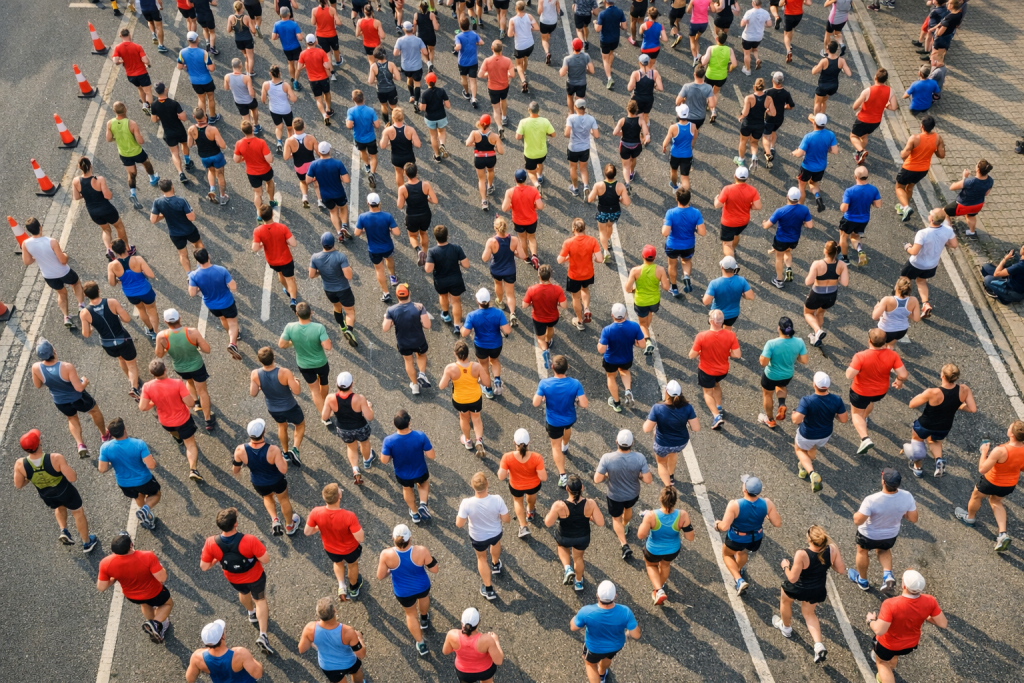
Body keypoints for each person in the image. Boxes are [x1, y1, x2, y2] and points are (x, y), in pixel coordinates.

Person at [200, 508, 276, 655]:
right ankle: (263, 635)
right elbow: (265, 559)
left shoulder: (211, 542)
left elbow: (204, 566)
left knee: (243, 592)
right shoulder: (249, 540)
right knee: (260, 600)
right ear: (236, 524)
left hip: (234, 578)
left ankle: (251, 613)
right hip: (255, 576)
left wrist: (216, 559)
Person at [772, 526, 846, 663]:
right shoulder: (833, 549)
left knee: (785, 601)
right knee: (809, 614)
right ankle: (818, 645)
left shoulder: (802, 554)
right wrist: (829, 563)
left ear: (809, 539)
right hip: (816, 589)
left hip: (799, 587)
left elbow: (792, 578)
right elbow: (841, 569)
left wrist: (785, 566)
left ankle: (786, 628)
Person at [14, 429, 97, 552]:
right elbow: (72, 478)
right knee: (77, 512)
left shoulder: (20, 464)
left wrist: (31, 477)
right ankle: (87, 543)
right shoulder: (55, 458)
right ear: (39, 443)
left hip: (46, 495)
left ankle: (64, 530)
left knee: (59, 507)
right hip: (65, 491)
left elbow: (19, 484)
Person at [866, 569, 947, 683]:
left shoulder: (891, 604)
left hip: (888, 644)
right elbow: (943, 623)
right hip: (909, 644)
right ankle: (889, 671)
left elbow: (879, 630)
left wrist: (870, 620)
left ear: (904, 585)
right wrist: (925, 616)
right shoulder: (930, 600)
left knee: (882, 663)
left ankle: (885, 676)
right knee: (895, 655)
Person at [955, 421, 1024, 552]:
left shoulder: (1000, 450)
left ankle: (970, 518)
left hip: (990, 481)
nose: (1008, 428)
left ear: (1012, 434)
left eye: (1010, 427)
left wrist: (984, 452)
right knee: (996, 501)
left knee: (976, 496)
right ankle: (1002, 534)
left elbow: (982, 469)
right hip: (1008, 485)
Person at [32, 340, 107, 457]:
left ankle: (80, 444)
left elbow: (38, 385)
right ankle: (104, 435)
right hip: (78, 398)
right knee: (94, 411)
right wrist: (85, 382)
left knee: (72, 418)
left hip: (60, 402)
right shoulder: (66, 367)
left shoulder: (36, 367)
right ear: (53, 351)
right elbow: (79, 388)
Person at [849, 468, 918, 593]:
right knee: (883, 550)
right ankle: (887, 575)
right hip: (890, 534)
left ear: (883, 482)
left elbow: (858, 521)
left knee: (862, 552)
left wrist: (856, 515)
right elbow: (913, 518)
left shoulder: (872, 500)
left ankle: (862, 580)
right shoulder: (907, 496)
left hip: (868, 534)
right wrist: (901, 513)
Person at [98, 532, 173, 643]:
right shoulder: (147, 556)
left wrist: (114, 577)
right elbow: (162, 578)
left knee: (145, 603)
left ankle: (152, 624)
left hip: (133, 596)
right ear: (131, 545)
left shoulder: (105, 563)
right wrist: (163, 569)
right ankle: (156, 624)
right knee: (168, 604)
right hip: (155, 592)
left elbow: (101, 587)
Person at [376, 524, 439, 657]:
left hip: (403, 592)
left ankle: (421, 644)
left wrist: (391, 570)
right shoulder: (421, 551)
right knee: (424, 598)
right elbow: (434, 569)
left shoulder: (386, 554)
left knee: (410, 615)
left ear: (393, 538)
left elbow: (380, 576)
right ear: (410, 538)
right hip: (422, 586)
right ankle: (424, 619)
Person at [905, 364, 975, 478]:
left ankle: (918, 468)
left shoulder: (933, 392)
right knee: (934, 441)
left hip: (925, 424)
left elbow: (912, 404)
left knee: (917, 442)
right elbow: (972, 409)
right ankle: (939, 460)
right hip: (944, 426)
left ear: (942, 375)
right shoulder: (964, 389)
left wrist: (922, 395)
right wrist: (957, 405)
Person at [233, 418, 300, 537]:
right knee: (283, 500)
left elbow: (236, 469)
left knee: (267, 497)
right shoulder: (273, 450)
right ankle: (290, 526)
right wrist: (284, 459)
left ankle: (275, 519)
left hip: (258, 482)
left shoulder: (240, 450)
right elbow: (283, 469)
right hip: (277, 480)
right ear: (263, 432)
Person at [846, 329, 910, 454]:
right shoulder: (893, 355)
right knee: (869, 401)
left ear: (869, 340)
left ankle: (864, 438)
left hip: (860, 391)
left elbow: (849, 375)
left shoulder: (861, 356)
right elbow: (903, 374)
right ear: (885, 341)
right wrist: (899, 381)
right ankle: (864, 420)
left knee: (855, 414)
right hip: (880, 391)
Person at [715, 476, 781, 594]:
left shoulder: (735, 504)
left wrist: (717, 524)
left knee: (727, 555)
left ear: (745, 489)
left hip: (736, 538)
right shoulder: (767, 503)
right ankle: (739, 569)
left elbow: (724, 527)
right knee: (742, 551)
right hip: (755, 538)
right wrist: (767, 514)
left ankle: (739, 580)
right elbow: (777, 523)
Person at [140, 358, 203, 480]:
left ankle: (178, 438)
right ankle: (193, 469)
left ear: (152, 373)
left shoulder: (147, 387)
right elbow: (190, 403)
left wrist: (153, 402)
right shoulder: (177, 383)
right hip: (183, 420)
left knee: (176, 434)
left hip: (166, 421)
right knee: (190, 444)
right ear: (165, 369)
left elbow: (143, 407)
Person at [595, 429, 652, 561]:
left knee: (616, 518)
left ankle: (624, 544)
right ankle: (625, 525)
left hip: (615, 495)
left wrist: (608, 474)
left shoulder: (607, 458)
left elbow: (597, 479)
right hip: (632, 494)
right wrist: (639, 475)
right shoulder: (639, 458)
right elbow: (648, 479)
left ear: (616, 442)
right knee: (628, 508)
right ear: (633, 443)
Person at [79, 281, 141, 399]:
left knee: (121, 358)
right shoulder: (111, 302)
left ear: (86, 296)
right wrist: (118, 316)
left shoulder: (84, 313)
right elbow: (127, 319)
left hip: (107, 344)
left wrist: (92, 327)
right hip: (123, 339)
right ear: (99, 290)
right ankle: (135, 387)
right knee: (132, 364)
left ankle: (131, 379)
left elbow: (86, 334)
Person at [155, 308, 215, 429]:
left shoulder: (162, 336)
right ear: (180, 318)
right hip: (197, 366)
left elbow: (159, 354)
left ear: (166, 322)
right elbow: (207, 350)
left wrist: (168, 347)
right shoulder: (192, 332)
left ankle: (196, 403)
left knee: (189, 381)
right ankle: (208, 420)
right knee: (202, 391)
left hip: (180, 368)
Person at [570, 581, 640, 683]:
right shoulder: (625, 611)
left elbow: (573, 627)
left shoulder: (586, 611)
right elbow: (636, 635)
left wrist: (575, 618)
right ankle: (602, 675)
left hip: (594, 648)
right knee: (607, 657)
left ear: (597, 595)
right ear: (615, 596)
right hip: (616, 646)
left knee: (590, 664)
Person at [306, 482, 366, 600]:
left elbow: (307, 531)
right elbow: (360, 538)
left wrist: (319, 527)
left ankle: (342, 586)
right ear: (339, 497)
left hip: (331, 549)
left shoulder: (316, 512)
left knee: (338, 563)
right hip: (350, 549)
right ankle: (353, 589)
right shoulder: (349, 516)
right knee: (352, 565)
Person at [98, 417, 160, 530]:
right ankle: (145, 510)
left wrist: (113, 461)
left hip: (124, 483)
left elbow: (102, 469)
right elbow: (151, 465)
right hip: (144, 480)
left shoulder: (105, 448)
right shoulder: (139, 444)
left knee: (137, 495)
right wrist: (154, 462)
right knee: (156, 494)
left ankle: (148, 518)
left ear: (111, 434)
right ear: (125, 429)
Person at [543, 475, 603, 591]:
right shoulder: (590, 503)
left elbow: (548, 523)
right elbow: (600, 522)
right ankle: (579, 582)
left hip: (565, 537)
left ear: (567, 489)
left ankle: (567, 568)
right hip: (582, 537)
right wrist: (590, 517)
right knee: (578, 558)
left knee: (561, 547)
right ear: (582, 488)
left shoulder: (559, 505)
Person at [457, 472, 510, 601]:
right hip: (495, 532)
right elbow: (506, 519)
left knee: (481, 559)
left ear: (472, 486)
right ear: (488, 484)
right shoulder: (497, 499)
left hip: (478, 537)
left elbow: (459, 524)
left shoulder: (466, 503)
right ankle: (496, 564)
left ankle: (489, 589)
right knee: (496, 544)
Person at [637, 486, 695, 604]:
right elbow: (690, 537)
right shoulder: (683, 515)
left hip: (653, 550)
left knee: (651, 566)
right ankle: (659, 588)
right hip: (672, 550)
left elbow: (641, 535)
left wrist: (645, 522)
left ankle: (659, 590)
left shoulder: (651, 515)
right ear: (675, 500)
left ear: (661, 499)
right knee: (665, 565)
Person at [792, 372, 847, 492]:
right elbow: (844, 419)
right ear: (828, 386)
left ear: (814, 384)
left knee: (799, 450)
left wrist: (794, 413)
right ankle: (804, 467)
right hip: (825, 435)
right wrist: (834, 415)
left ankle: (811, 473)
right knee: (812, 448)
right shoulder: (837, 400)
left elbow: (796, 420)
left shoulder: (807, 400)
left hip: (807, 434)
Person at [380, 409, 436, 523]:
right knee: (423, 484)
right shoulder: (420, 435)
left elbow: (384, 460)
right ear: (409, 422)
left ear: (393, 424)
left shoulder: (389, 441)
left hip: (402, 474)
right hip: (420, 470)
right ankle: (423, 504)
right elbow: (431, 455)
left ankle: (414, 514)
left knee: (407, 489)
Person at [249, 348, 305, 461]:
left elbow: (253, 393)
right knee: (300, 425)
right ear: (274, 357)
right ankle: (295, 449)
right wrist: (297, 382)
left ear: (260, 360)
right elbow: (297, 391)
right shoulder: (284, 372)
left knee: (282, 426)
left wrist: (261, 386)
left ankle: (285, 453)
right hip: (290, 406)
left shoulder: (255, 374)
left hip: (274, 409)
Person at [689, 309, 741, 430]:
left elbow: (691, 355)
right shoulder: (731, 335)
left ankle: (716, 416)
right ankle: (718, 406)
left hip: (706, 370)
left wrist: (701, 351)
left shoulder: (702, 336)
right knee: (716, 385)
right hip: (722, 371)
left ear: (710, 321)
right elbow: (737, 354)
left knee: (707, 392)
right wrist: (727, 353)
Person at [901, 207, 957, 317]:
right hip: (931, 265)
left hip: (916, 264)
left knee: (905, 280)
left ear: (931, 218)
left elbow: (914, 252)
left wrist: (907, 247)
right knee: (921, 282)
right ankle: (925, 304)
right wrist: (943, 242)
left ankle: (903, 302)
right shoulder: (948, 230)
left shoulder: (923, 233)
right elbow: (954, 245)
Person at [642, 380, 700, 488]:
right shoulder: (688, 407)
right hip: (680, 442)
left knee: (661, 463)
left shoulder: (658, 408)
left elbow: (646, 429)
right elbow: (696, 428)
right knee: (673, 453)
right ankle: (671, 476)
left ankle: (668, 487)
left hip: (662, 444)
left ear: (666, 392)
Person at [440, 340, 492, 453]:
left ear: (455, 354)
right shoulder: (476, 366)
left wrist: (449, 379)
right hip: (475, 398)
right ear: (468, 353)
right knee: (476, 419)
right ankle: (479, 440)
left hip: (459, 399)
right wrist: (479, 381)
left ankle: (468, 441)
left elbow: (441, 386)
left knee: (464, 418)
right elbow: (487, 383)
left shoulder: (450, 368)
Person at [188, 249, 242, 359]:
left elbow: (192, 293)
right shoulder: (221, 270)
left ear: (198, 261)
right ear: (209, 256)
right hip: (227, 302)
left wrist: (199, 288)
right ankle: (233, 343)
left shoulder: (194, 275)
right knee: (232, 322)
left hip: (211, 304)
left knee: (223, 319)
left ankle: (232, 334)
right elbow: (234, 287)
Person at [106, 102, 159, 209]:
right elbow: (140, 141)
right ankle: (153, 179)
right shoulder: (132, 124)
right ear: (126, 109)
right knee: (146, 163)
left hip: (124, 153)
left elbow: (108, 139)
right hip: (136, 151)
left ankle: (133, 193)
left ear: (114, 111)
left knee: (131, 174)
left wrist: (117, 139)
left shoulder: (110, 123)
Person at [298, 598, 366, 682]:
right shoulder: (348, 632)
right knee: (356, 672)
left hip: (328, 667)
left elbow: (301, 649)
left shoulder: (310, 629)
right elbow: (361, 654)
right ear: (335, 610)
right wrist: (360, 638)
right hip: (349, 663)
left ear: (317, 614)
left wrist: (317, 643)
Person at [757, 317, 808, 429]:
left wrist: (762, 357)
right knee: (781, 386)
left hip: (771, 375)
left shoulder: (771, 344)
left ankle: (770, 420)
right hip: (787, 374)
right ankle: (782, 404)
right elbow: (804, 360)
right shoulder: (799, 342)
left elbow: (763, 363)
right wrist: (795, 356)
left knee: (767, 395)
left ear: (779, 328)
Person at [384, 283, 434, 394]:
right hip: (419, 340)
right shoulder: (419, 307)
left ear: (397, 296)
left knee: (408, 361)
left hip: (403, 342)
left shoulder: (391, 310)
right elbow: (427, 325)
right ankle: (422, 374)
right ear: (409, 293)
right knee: (421, 355)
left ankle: (415, 386)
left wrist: (389, 320)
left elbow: (385, 328)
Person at [497, 429, 547, 539]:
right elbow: (543, 477)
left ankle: (523, 526)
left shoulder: (507, 457)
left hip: (516, 486)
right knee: (531, 496)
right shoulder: (537, 457)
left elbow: (501, 476)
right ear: (529, 442)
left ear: (514, 442)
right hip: (533, 485)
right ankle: (530, 511)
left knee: (518, 501)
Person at [151, 177, 205, 278]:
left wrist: (164, 215)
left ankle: (189, 275)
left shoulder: (157, 202)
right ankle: (201, 266)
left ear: (161, 190)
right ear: (172, 186)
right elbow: (192, 217)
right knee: (199, 245)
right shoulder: (181, 200)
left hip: (175, 233)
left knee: (182, 254)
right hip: (189, 229)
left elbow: (153, 220)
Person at [895, 116, 944, 223]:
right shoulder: (938, 138)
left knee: (899, 187)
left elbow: (904, 155)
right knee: (910, 187)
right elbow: (941, 155)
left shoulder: (914, 138)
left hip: (909, 168)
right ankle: (904, 208)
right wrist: (934, 148)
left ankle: (906, 207)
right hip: (923, 170)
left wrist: (901, 153)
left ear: (922, 126)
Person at [763, 187, 813, 289]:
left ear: (787, 197)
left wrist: (764, 223)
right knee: (787, 252)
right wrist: (802, 222)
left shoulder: (780, 211)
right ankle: (789, 268)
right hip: (794, 239)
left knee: (778, 258)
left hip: (781, 239)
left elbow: (767, 225)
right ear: (799, 198)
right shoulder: (804, 209)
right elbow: (810, 225)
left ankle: (779, 280)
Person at [355, 192, 402, 302]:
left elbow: (356, 233)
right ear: (379, 203)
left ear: (368, 203)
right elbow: (397, 233)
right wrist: (389, 228)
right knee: (389, 259)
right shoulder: (387, 216)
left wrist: (364, 229)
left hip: (374, 249)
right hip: (388, 247)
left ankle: (386, 293)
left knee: (379, 270)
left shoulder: (363, 217)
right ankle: (393, 278)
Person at [598, 303, 645, 412]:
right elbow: (642, 345)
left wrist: (599, 343)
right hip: (627, 358)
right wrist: (635, 342)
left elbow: (601, 350)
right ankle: (628, 390)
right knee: (624, 371)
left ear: (612, 315)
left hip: (611, 360)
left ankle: (616, 402)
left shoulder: (607, 330)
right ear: (626, 314)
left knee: (611, 376)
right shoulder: (634, 326)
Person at [105, 239, 155, 341]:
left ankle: (152, 331)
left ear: (114, 251)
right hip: (145, 290)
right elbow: (151, 275)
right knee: (152, 310)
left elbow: (112, 283)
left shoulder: (111, 265)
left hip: (131, 294)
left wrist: (119, 281)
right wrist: (141, 273)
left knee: (141, 310)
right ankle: (156, 330)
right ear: (126, 247)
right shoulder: (138, 259)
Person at [252, 205, 300, 310]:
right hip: (286, 259)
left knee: (280, 273)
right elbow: (293, 243)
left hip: (272, 261)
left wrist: (261, 245)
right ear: (273, 214)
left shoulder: (258, 231)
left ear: (260, 216)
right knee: (290, 279)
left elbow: (254, 248)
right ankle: (293, 299)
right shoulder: (282, 227)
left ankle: (287, 290)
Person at [185, 619, 264, 682]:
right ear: (222, 636)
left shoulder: (197, 657)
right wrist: (253, 659)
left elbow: (190, 678)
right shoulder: (240, 654)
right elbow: (258, 673)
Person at [482, 216, 527, 325]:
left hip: (496, 270)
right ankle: (512, 313)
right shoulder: (514, 240)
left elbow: (484, 258)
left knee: (498, 285)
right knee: (510, 293)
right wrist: (514, 252)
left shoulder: (491, 241)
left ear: (496, 228)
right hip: (510, 270)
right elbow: (523, 255)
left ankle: (500, 301)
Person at [803, 241, 849, 347]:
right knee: (820, 313)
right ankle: (815, 338)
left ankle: (817, 330)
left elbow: (808, 282)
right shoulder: (842, 265)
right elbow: (845, 283)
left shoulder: (818, 264)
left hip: (817, 294)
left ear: (826, 251)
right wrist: (836, 276)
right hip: (831, 296)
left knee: (808, 313)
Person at [425, 225, 469, 334]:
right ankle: (457, 325)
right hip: (455, 280)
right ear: (447, 236)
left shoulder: (432, 251)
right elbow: (466, 265)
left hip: (441, 281)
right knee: (456, 301)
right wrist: (458, 262)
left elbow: (428, 269)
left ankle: (445, 314)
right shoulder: (456, 248)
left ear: (435, 237)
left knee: (443, 296)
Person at [558, 218, 601, 330]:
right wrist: (594, 259)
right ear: (584, 228)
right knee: (585, 289)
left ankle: (580, 321)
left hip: (574, 275)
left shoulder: (568, 242)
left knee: (575, 297)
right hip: (588, 274)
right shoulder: (592, 240)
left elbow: (559, 260)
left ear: (574, 229)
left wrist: (567, 258)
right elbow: (599, 259)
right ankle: (586, 308)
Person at [523, 265, 568, 370]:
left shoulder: (532, 289)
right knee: (550, 328)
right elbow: (564, 305)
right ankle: (548, 341)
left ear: (539, 275)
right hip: (553, 317)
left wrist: (532, 303)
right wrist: (557, 303)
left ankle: (545, 350)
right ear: (550, 276)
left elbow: (524, 305)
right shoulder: (557, 289)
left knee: (540, 338)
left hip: (538, 318)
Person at [662, 188, 705, 296]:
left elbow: (665, 233)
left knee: (672, 264)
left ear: (677, 199)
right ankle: (686, 276)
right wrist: (694, 229)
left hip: (673, 245)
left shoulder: (670, 213)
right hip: (688, 245)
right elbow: (702, 232)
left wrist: (666, 224)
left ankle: (674, 288)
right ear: (689, 199)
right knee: (686, 261)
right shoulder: (696, 213)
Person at [626, 245, 668, 353]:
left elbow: (627, 288)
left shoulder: (635, 270)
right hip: (654, 301)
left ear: (642, 256)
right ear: (654, 257)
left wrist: (634, 290)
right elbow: (666, 287)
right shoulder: (660, 270)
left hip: (641, 301)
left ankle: (647, 341)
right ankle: (646, 332)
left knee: (642, 324)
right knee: (649, 314)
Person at [850, 68, 897, 165]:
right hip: (876, 121)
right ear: (886, 80)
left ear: (875, 77)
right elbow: (894, 107)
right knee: (864, 135)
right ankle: (860, 154)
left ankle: (861, 151)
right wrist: (886, 105)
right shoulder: (890, 91)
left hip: (863, 120)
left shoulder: (867, 91)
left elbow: (854, 107)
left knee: (853, 136)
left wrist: (861, 105)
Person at [149, 83, 194, 184]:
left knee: (174, 153)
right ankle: (187, 161)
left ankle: (180, 173)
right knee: (184, 144)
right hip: (179, 129)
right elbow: (183, 118)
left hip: (168, 132)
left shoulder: (154, 105)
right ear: (165, 89)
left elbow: (154, 119)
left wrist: (161, 116)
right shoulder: (173, 103)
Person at [792, 113, 839, 211]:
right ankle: (817, 196)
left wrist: (794, 152)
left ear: (814, 122)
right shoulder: (830, 134)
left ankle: (800, 208)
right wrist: (826, 148)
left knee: (801, 186)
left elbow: (800, 153)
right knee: (814, 183)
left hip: (807, 167)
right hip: (821, 167)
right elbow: (835, 151)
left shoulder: (809, 136)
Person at [443, 608, 503, 683]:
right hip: (485, 671)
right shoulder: (487, 639)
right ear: (478, 623)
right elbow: (499, 661)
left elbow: (445, 651)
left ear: (462, 622)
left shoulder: (452, 635)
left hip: (464, 672)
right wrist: (496, 641)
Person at [839, 166, 883, 266]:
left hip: (849, 219)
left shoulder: (849, 191)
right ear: (867, 177)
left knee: (843, 237)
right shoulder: (873, 189)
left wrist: (843, 204)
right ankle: (860, 251)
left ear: (855, 177)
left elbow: (843, 209)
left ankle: (845, 259)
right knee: (855, 236)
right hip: (864, 219)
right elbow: (878, 205)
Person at [308, 141, 353, 238]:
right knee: (343, 207)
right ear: (330, 151)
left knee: (333, 212)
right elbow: (347, 180)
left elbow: (307, 180)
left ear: (319, 152)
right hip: (339, 192)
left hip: (325, 195)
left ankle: (338, 232)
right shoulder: (337, 163)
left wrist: (315, 178)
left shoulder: (314, 164)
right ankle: (344, 226)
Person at [714, 166, 761, 256]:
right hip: (743, 222)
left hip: (728, 222)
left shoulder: (727, 189)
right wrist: (749, 205)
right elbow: (757, 206)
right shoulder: (753, 190)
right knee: (736, 234)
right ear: (747, 178)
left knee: (726, 244)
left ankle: (731, 264)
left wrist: (716, 198)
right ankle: (733, 249)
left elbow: (717, 205)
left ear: (735, 176)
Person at [188, 107, 230, 207]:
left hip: (204, 156)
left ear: (194, 117)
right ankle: (223, 197)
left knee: (211, 171)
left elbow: (190, 144)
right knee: (220, 175)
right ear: (205, 115)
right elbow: (223, 145)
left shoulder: (191, 129)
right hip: (216, 155)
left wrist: (198, 142)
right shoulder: (212, 129)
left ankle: (212, 190)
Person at [396, 163, 438, 262]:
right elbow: (435, 201)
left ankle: (419, 251)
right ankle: (425, 253)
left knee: (412, 236)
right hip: (425, 214)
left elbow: (400, 205)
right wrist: (427, 199)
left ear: (405, 173)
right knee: (423, 233)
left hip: (412, 216)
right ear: (417, 172)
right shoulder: (425, 184)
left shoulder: (402, 189)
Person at [234, 121, 277, 216]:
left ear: (243, 131)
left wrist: (244, 158)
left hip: (252, 173)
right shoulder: (261, 142)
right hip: (265, 170)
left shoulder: (239, 143)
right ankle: (272, 200)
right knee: (269, 182)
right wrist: (272, 157)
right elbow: (269, 159)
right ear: (252, 129)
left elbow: (236, 159)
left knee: (257, 193)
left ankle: (259, 213)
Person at [501, 168, 544, 263]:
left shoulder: (510, 192)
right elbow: (540, 206)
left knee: (522, 239)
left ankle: (526, 258)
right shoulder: (533, 190)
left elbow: (504, 208)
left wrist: (511, 205)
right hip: (532, 220)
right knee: (531, 237)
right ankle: (534, 255)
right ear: (526, 179)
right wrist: (533, 206)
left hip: (518, 221)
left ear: (515, 179)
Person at [946, 159, 993, 239]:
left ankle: (949, 232)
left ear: (978, 169)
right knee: (971, 216)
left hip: (963, 205)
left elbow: (952, 187)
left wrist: (964, 177)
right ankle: (972, 232)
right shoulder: (990, 180)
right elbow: (986, 193)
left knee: (944, 212)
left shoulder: (970, 181)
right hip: (978, 205)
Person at [177, 31, 218, 123]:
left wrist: (185, 67)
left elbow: (179, 67)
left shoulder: (182, 52)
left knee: (201, 99)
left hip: (194, 81)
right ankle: (212, 117)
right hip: (207, 80)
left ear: (188, 40)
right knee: (210, 98)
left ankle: (203, 118)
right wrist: (213, 65)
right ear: (197, 39)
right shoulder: (203, 53)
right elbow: (211, 68)